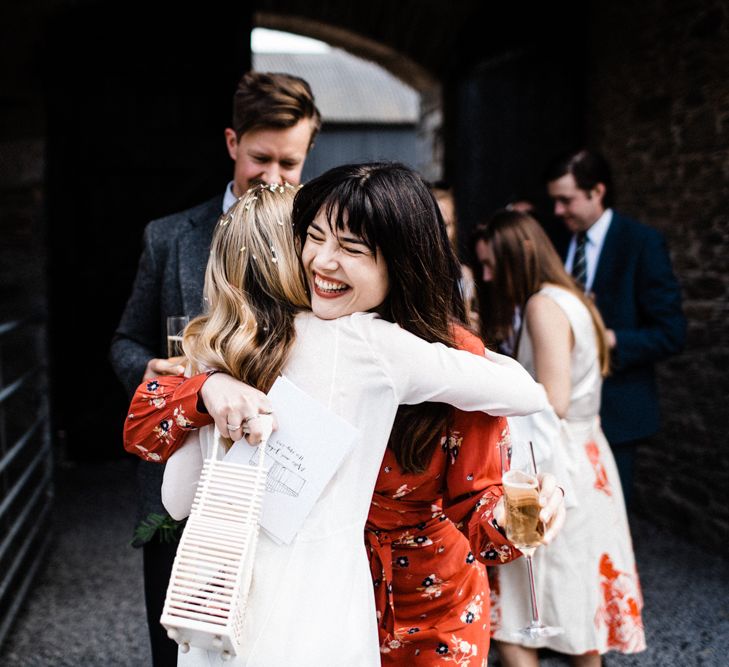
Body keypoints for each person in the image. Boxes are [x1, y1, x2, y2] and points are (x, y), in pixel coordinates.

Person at [126, 164, 565, 665]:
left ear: (402, 262)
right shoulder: (300, 346)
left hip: (421, 608)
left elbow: (480, 505)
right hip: (326, 603)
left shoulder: (439, 356)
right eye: (313, 238)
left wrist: (521, 514)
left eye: (352, 249)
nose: (322, 262)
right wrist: (210, 387)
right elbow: (146, 424)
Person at [109, 71, 322, 665]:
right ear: (232, 143)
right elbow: (124, 341)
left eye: (290, 162)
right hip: (180, 480)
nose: (275, 177)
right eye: (261, 159)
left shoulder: (321, 239)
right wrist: (149, 370)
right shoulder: (170, 236)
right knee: (177, 645)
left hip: (286, 480)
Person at [474, 210, 646, 665]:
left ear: (519, 257)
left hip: (556, 461)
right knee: (577, 606)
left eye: (493, 265)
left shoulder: (542, 305)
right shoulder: (572, 297)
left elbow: (554, 400)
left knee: (515, 614)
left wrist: (490, 374)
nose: (487, 277)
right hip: (590, 457)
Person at [545, 149, 685, 505]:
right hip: (561, 410)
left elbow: (671, 332)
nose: (558, 211)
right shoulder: (557, 241)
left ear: (597, 191)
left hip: (616, 411)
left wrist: (610, 338)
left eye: (566, 200)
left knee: (608, 518)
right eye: (555, 202)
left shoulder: (641, 243)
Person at [431, 181, 477, 327]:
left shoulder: (462, 275)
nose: (438, 232)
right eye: (431, 223)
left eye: (445, 225)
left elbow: (465, 324)